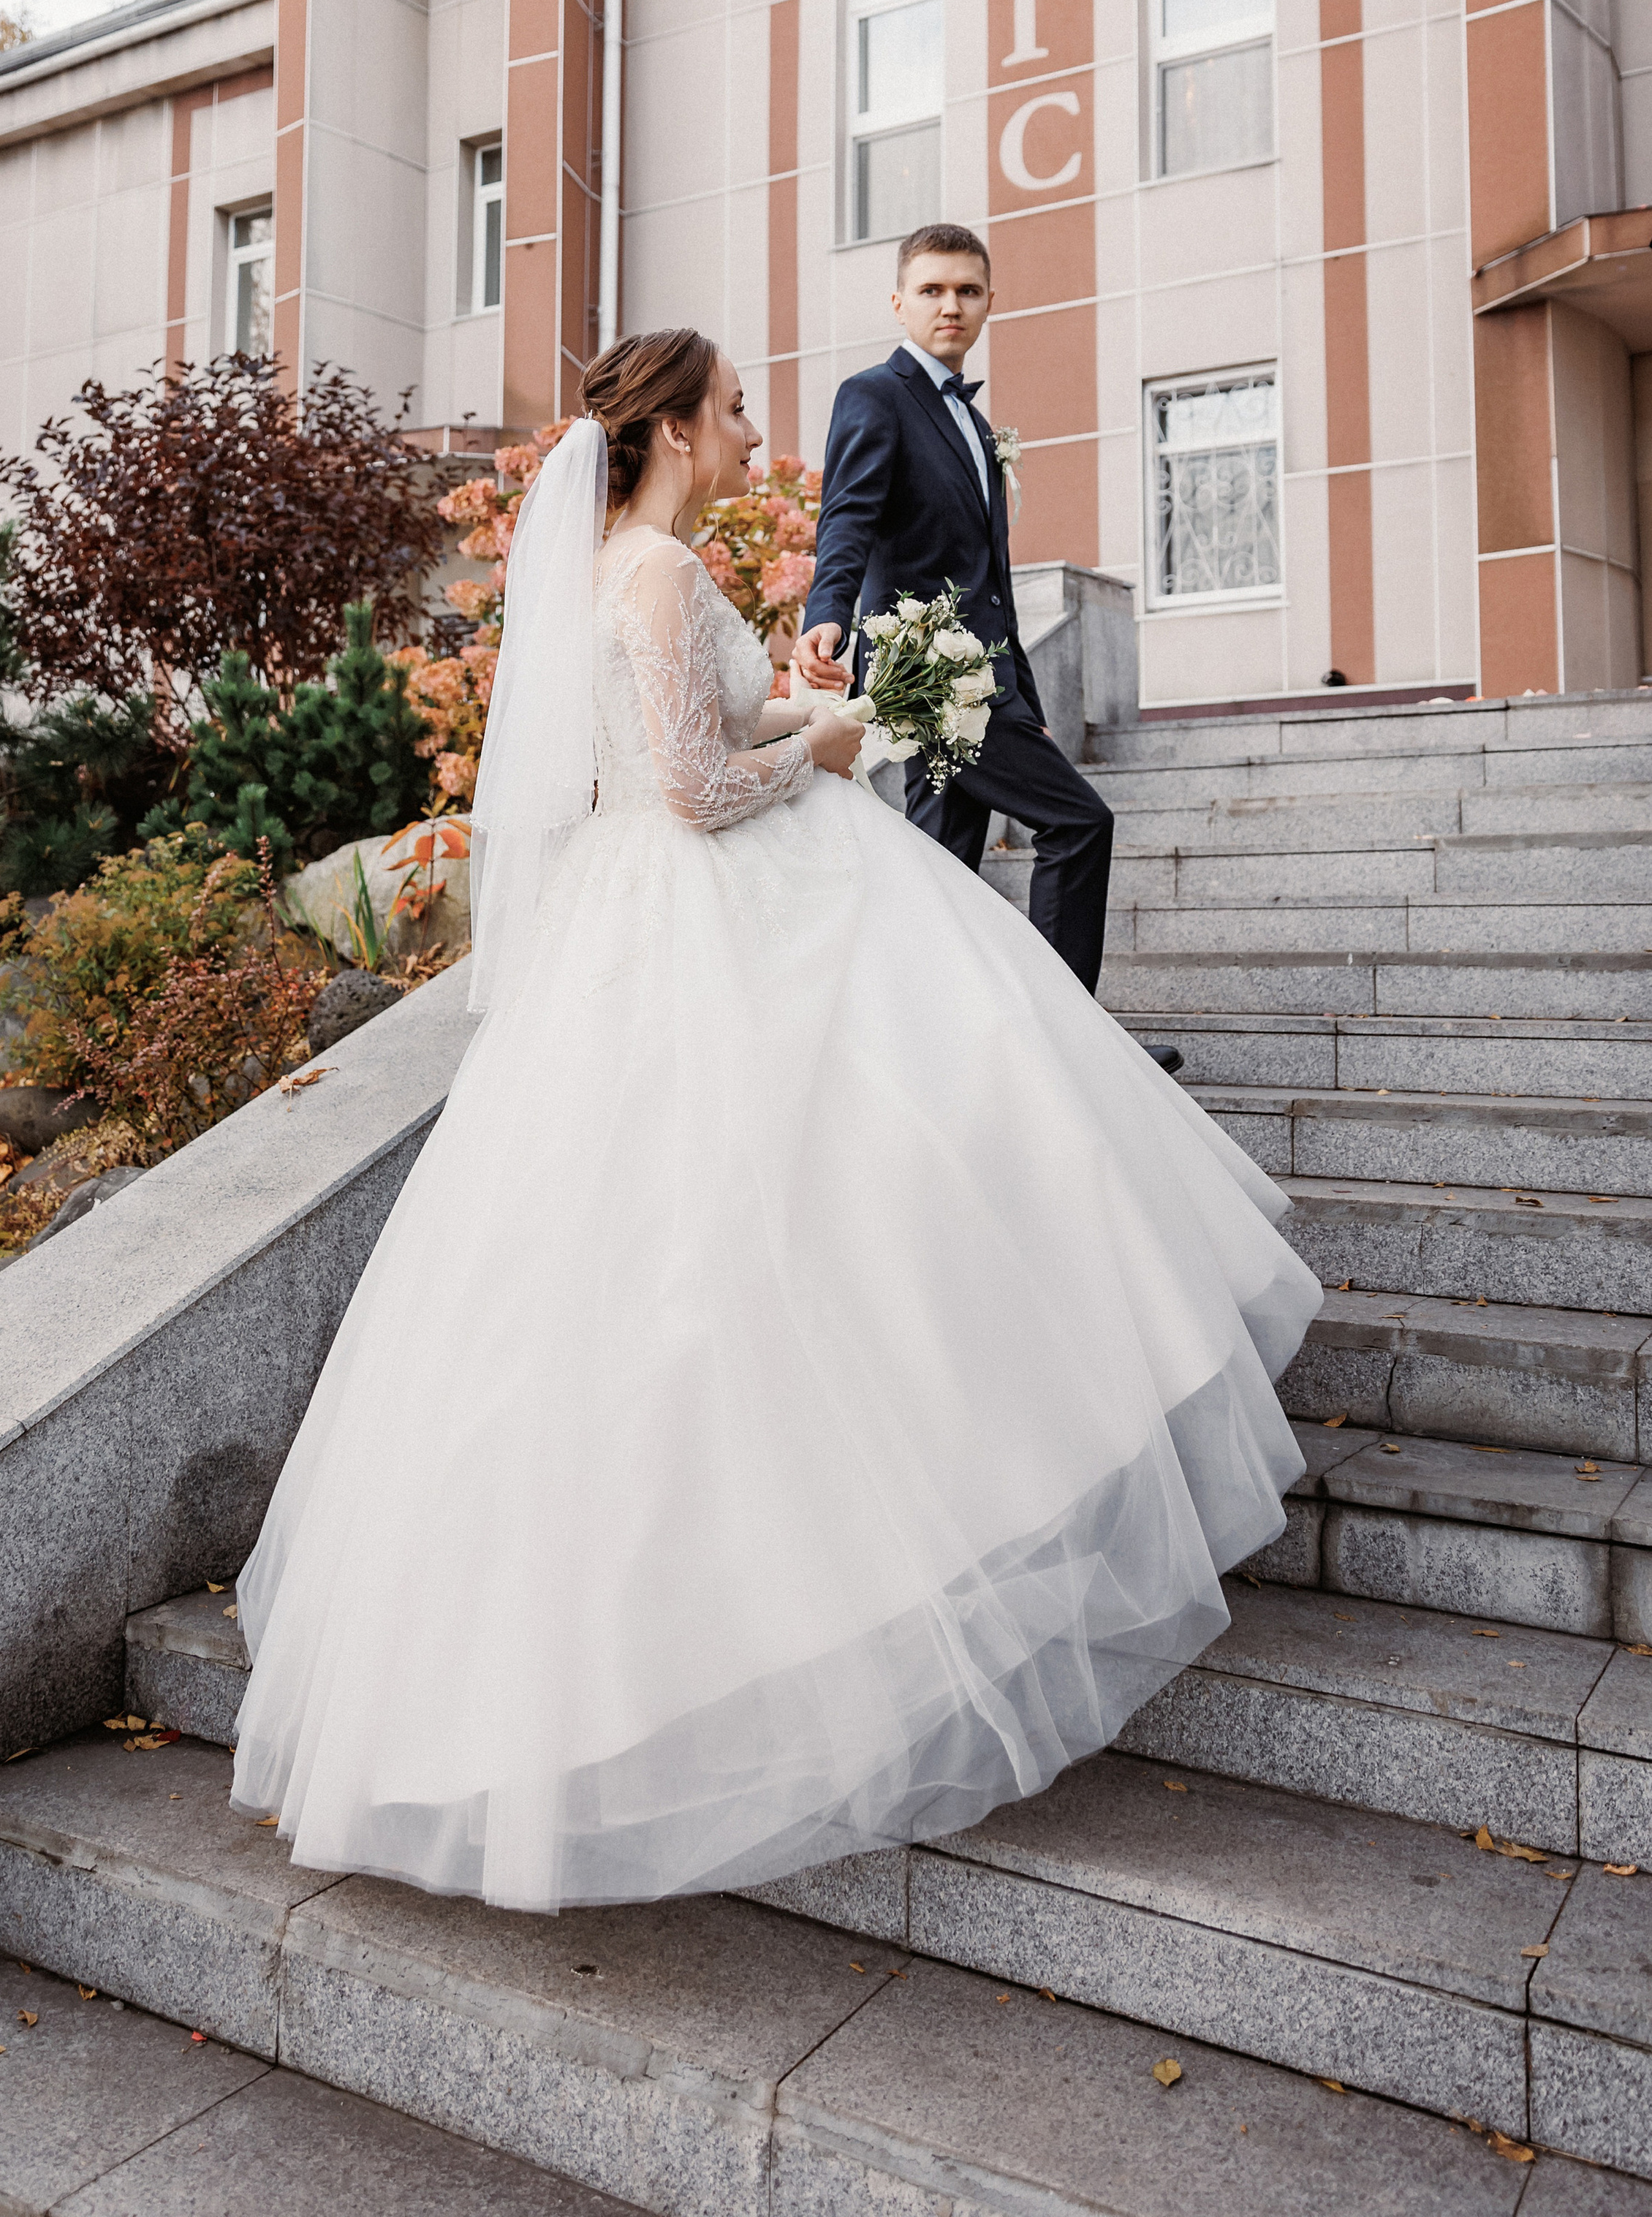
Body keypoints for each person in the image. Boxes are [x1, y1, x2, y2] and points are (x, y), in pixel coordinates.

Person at [230, 327, 1319, 1916]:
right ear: (672, 429)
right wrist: (824, 744)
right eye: (731, 410)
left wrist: (805, 712)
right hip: (704, 911)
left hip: (633, 930)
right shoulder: (657, 570)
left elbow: (669, 757)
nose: (750, 432)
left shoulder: (613, 562)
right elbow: (686, 788)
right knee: (825, 1212)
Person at [797, 225, 1176, 1070]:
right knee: (1079, 824)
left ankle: (912, 1051)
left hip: (987, 684)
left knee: (940, 871)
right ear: (898, 302)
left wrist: (1027, 705)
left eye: (967, 290)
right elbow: (846, 520)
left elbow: (993, 587)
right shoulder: (874, 396)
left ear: (989, 303)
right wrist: (828, 614)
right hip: (933, 680)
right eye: (932, 290)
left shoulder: (970, 420)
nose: (950, 305)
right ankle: (1069, 1051)